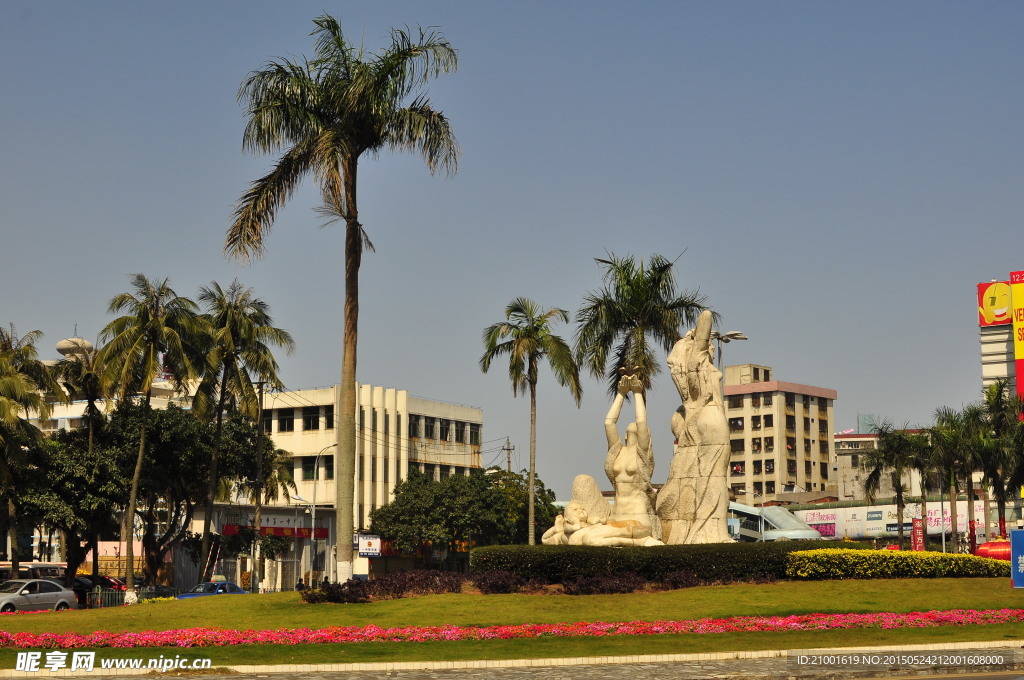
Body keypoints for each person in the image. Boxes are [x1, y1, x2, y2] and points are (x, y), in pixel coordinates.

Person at [569, 374, 663, 546]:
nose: (635, 427)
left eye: (642, 432)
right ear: (625, 436)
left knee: (591, 540)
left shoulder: (643, 457)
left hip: (638, 519)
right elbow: (609, 423)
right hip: (615, 517)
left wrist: (637, 393)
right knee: (575, 539)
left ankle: (640, 541)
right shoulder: (618, 452)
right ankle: (638, 542)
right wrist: (620, 393)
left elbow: (641, 422)